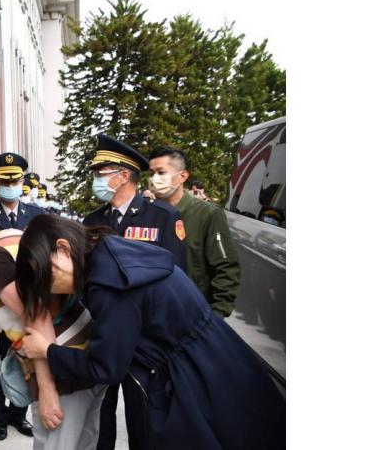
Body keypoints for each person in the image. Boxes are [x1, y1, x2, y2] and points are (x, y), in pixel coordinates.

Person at [18, 215, 285, 450]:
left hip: (189, 379)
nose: (49, 288)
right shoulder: (113, 250)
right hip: (220, 357)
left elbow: (106, 368)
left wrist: (47, 351)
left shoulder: (109, 285)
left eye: (44, 275)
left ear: (63, 249)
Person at [0, 216, 105, 450]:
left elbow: (35, 316)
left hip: (61, 363)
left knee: (56, 443)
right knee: (84, 441)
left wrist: (48, 390)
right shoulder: (13, 236)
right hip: (86, 349)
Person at [82, 134, 187, 450]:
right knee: (99, 416)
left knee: (144, 420)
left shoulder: (163, 217)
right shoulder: (93, 221)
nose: (97, 179)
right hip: (103, 336)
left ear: (122, 175)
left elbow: (176, 281)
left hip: (146, 340)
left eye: (101, 172)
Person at [0, 152, 46, 439]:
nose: (11, 185)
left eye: (15, 180)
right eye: (4, 181)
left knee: (27, 357)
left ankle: (20, 413)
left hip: (29, 302)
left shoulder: (37, 216)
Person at [148, 147, 241, 318]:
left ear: (182, 176)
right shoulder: (148, 213)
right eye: (152, 173)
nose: (154, 179)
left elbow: (226, 267)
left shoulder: (206, 214)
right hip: (154, 311)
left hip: (193, 311)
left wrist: (217, 314)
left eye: (161, 172)